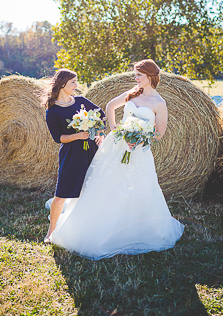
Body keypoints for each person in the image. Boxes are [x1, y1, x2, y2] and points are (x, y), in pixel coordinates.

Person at [48, 59, 184, 259]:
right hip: (116, 146)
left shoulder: (159, 103)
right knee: (104, 185)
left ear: (150, 76)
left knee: (140, 189)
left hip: (139, 152)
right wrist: (116, 129)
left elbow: (159, 133)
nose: (135, 78)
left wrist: (139, 140)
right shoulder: (132, 93)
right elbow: (110, 106)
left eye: (139, 75)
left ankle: (132, 230)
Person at [43, 69, 105, 243]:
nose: (76, 86)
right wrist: (77, 136)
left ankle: (89, 229)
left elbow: (100, 115)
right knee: (61, 195)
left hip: (91, 151)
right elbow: (58, 138)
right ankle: (51, 231)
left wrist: (98, 131)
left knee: (91, 191)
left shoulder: (80, 101)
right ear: (63, 84)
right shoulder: (52, 111)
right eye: (73, 82)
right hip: (71, 155)